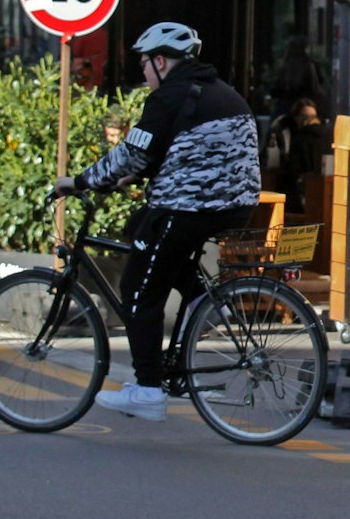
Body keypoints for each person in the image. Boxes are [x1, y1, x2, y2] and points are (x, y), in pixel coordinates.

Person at [55, 21, 260, 423]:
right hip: (233, 204)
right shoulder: (215, 90)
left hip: (192, 205)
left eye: (145, 65)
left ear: (161, 61)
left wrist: (78, 181)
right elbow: (183, 148)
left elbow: (130, 154)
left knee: (138, 288)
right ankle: (202, 299)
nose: (144, 73)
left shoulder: (169, 96)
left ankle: (148, 389)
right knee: (142, 231)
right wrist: (141, 173)